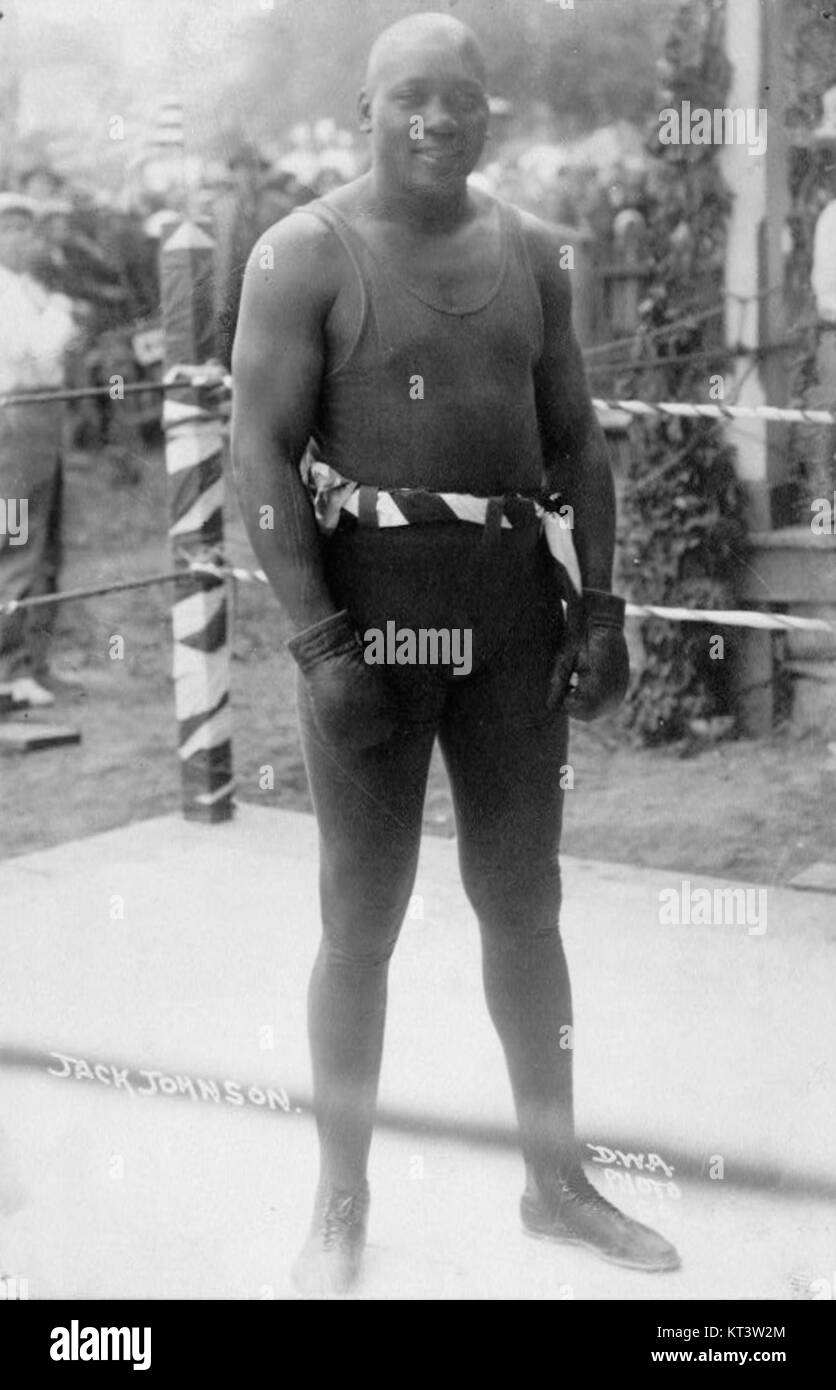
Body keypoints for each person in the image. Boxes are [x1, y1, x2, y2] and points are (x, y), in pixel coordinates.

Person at [232, 13, 680, 1296]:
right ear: (364, 109)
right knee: (357, 918)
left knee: (523, 905)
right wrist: (318, 639)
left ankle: (553, 1181)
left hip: (504, 624)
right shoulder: (299, 254)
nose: (438, 121)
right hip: (367, 626)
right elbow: (255, 453)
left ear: (492, 115)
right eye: (411, 99)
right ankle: (339, 1203)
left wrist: (599, 607)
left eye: (463, 101)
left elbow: (577, 440)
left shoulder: (537, 252)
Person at [0, 192, 79, 706]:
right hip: (13, 420)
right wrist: (62, 314)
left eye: (31, 228)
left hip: (45, 414)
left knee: (48, 545)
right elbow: (32, 352)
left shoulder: (32, 287)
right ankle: (8, 670)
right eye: (15, 228)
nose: (28, 239)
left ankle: (36, 660)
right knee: (16, 540)